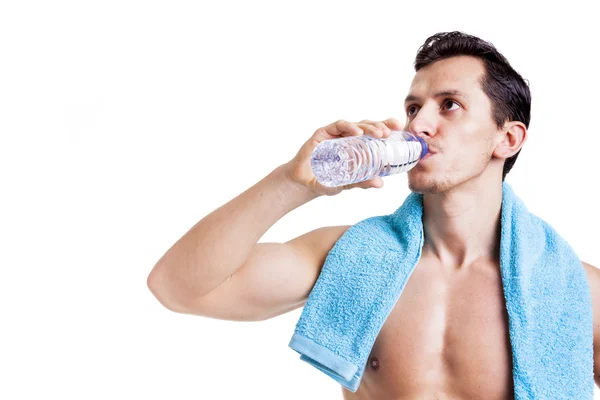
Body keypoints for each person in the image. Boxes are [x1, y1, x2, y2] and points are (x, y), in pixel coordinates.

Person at [146, 31, 600, 399]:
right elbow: (176, 287)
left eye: (450, 105)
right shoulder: (349, 258)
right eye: (413, 107)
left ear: (508, 138)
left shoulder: (575, 290)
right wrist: (292, 182)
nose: (418, 124)